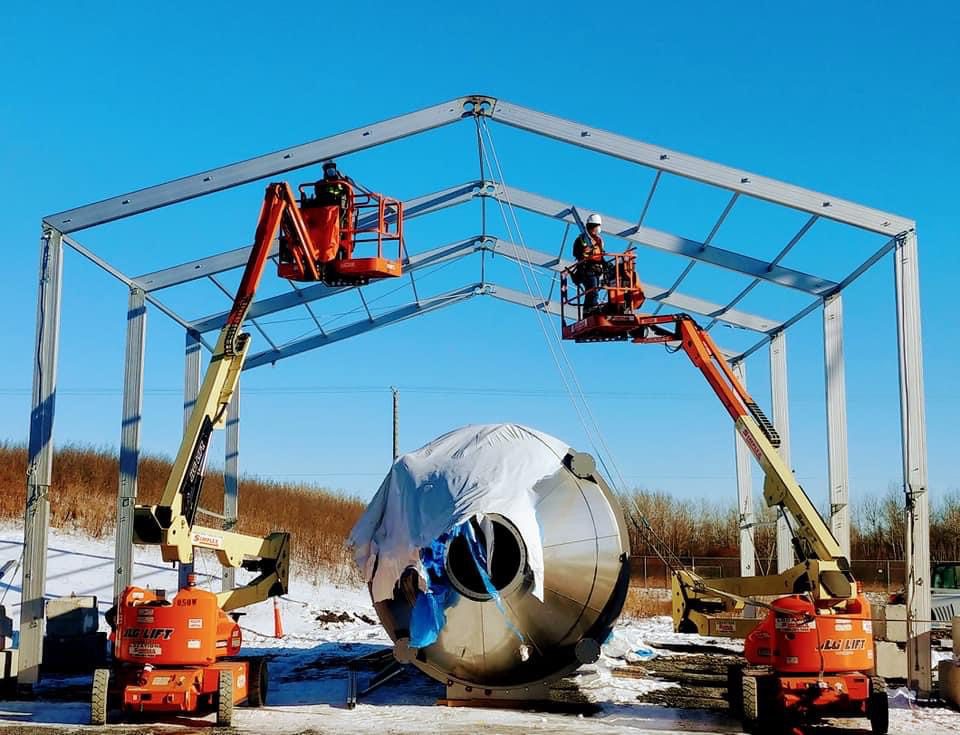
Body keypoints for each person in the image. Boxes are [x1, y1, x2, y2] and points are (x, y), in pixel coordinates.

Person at [572, 213, 606, 313]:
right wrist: (584, 252)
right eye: (597, 226)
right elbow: (576, 253)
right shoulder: (581, 239)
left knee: (594, 290)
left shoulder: (599, 240)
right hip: (586, 269)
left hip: (596, 269)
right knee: (592, 290)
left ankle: (591, 309)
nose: (598, 229)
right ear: (592, 226)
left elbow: (601, 254)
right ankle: (589, 310)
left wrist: (605, 264)